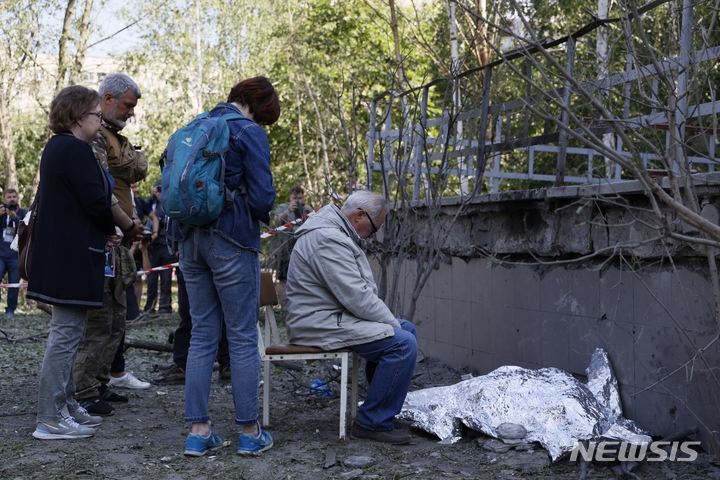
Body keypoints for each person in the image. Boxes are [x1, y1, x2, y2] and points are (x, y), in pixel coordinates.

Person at [176, 76, 279, 456]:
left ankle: (198, 431)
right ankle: (250, 433)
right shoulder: (248, 132)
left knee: (202, 335)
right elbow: (263, 196)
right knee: (241, 335)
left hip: (188, 241)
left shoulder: (197, 124)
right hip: (232, 241)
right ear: (260, 104)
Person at [284, 190, 418, 445]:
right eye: (373, 228)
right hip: (317, 323)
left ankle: (383, 411)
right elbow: (356, 298)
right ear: (359, 215)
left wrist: (388, 323)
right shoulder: (327, 238)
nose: (372, 235)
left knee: (407, 330)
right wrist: (388, 323)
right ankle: (371, 422)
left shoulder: (334, 231)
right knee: (402, 343)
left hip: (331, 317)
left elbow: (354, 296)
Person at [27, 85, 119, 439]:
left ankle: (64, 405)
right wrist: (111, 228)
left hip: (65, 256)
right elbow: (96, 201)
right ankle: (49, 417)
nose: (100, 120)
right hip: (70, 258)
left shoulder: (58, 148)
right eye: (97, 114)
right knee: (65, 337)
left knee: (71, 333)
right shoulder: (74, 149)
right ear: (79, 117)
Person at [72, 73, 149, 417]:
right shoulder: (93, 138)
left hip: (116, 240)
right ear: (107, 100)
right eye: (128, 105)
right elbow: (102, 188)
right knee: (99, 319)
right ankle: (83, 390)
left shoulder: (114, 138)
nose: (131, 112)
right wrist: (127, 224)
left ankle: (100, 382)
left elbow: (137, 169)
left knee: (117, 316)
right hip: (100, 237)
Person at [272, 186, 313, 308]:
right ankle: (284, 307)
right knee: (283, 278)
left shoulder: (307, 208)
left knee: (304, 278)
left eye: (300, 198)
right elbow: (276, 221)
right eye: (295, 198)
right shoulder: (284, 207)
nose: (297, 201)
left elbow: (318, 222)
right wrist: (288, 211)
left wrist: (309, 212)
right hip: (285, 250)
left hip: (304, 249)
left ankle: (301, 306)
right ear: (290, 198)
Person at [144, 179, 174, 314]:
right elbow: (144, 211)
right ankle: (149, 308)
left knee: (166, 280)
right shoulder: (152, 204)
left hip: (167, 246)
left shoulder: (169, 202)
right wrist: (152, 197)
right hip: (153, 246)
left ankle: (165, 307)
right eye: (158, 189)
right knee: (151, 279)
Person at [0, 189, 27, 320]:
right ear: (4, 199)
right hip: (1, 254)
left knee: (14, 284)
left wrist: (15, 218)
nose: (11, 199)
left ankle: (10, 310)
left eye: (14, 197)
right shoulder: (1, 214)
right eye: (9, 197)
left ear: (17, 198)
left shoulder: (24, 213)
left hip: (16, 256)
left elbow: (27, 230)